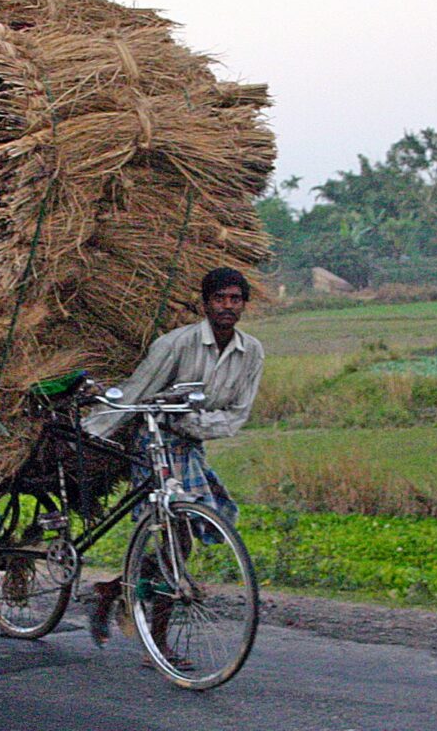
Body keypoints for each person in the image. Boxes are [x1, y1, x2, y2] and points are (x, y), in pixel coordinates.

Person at [81, 267, 264, 652]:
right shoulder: (175, 345)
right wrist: (91, 433)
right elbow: (138, 392)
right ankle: (158, 643)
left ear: (244, 305)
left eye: (235, 299)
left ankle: (112, 590)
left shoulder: (251, 353)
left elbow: (236, 414)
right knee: (177, 538)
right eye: (220, 298)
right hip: (154, 437)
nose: (228, 306)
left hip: (191, 441)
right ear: (205, 304)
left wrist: (192, 423)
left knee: (194, 531)